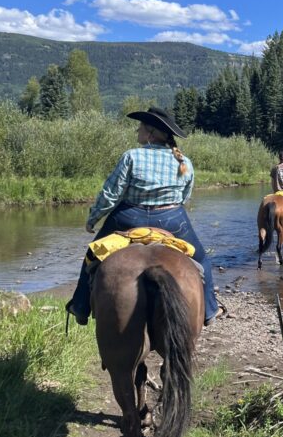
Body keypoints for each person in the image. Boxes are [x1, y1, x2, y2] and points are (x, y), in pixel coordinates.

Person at [65, 106, 221, 326]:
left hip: (129, 217)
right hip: (172, 218)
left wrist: (93, 218)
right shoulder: (183, 162)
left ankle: (80, 307)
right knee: (202, 259)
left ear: (150, 133)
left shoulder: (131, 156)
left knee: (93, 252)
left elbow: (111, 194)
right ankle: (210, 311)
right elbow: (185, 196)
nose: (137, 131)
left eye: (140, 127)